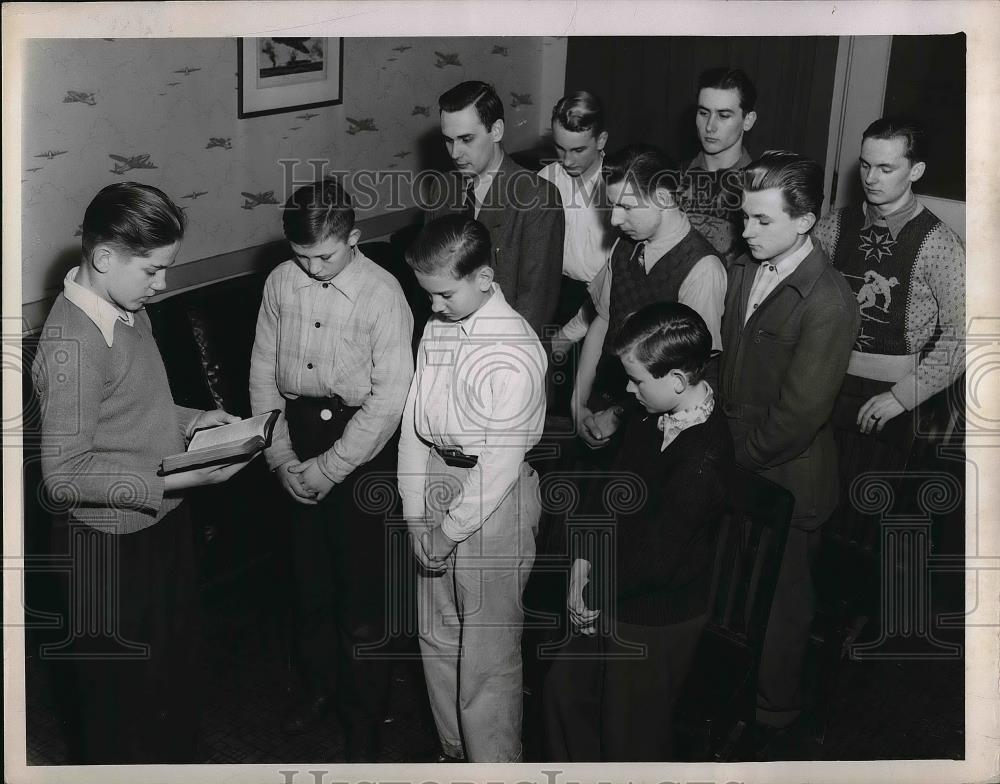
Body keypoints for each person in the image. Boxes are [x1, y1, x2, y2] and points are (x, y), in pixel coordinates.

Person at [31, 181, 253, 763]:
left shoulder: (123, 307)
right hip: (104, 551)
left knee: (170, 685)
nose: (163, 284)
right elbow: (63, 473)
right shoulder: (71, 346)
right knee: (119, 712)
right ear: (104, 258)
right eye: (153, 270)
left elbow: (136, 406)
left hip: (157, 530)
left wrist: (196, 418)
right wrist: (176, 478)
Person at [248, 178, 414, 760]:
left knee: (362, 601)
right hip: (296, 435)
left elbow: (389, 400)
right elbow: (263, 375)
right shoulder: (278, 282)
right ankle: (319, 690)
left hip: (363, 448)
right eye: (302, 256)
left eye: (327, 254)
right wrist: (282, 455)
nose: (314, 267)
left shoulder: (383, 293)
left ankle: (364, 718)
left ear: (354, 237)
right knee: (309, 586)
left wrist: (331, 468)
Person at [543, 302, 733, 762]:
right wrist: (582, 561)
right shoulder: (651, 413)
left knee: (628, 735)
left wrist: (593, 592)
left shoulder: (704, 459)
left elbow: (658, 558)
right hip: (610, 584)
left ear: (677, 382)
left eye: (637, 380)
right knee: (563, 696)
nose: (627, 390)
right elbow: (609, 494)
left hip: (656, 613)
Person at [718, 151, 859, 738]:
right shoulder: (747, 267)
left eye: (761, 220)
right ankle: (726, 700)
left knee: (780, 612)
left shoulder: (829, 301)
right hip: (733, 462)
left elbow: (800, 414)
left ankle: (776, 724)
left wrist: (734, 462)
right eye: (744, 217)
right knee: (730, 596)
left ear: (804, 223)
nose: (745, 231)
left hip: (786, 478)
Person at [397, 214, 547, 762]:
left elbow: (500, 465)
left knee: (487, 655)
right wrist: (416, 514)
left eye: (443, 293)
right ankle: (453, 754)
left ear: (484, 277)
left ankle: (494, 768)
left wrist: (449, 531)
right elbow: (415, 424)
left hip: (493, 498)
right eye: (427, 294)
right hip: (437, 477)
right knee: (437, 637)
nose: (433, 306)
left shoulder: (514, 348)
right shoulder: (438, 327)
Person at [812, 117, 965, 554]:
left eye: (886, 168)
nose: (871, 178)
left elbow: (964, 333)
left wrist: (904, 395)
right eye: (865, 166)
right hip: (823, 380)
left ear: (915, 171)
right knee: (814, 501)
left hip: (889, 395)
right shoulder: (832, 226)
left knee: (862, 515)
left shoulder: (938, 243)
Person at [569, 144, 727, 450]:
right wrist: (578, 403)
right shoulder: (624, 245)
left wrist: (616, 417)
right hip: (602, 401)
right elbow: (602, 320)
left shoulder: (702, 269)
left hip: (648, 424)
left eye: (626, 207)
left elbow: (687, 376)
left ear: (664, 198)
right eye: (613, 205)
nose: (614, 219)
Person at [422, 79, 565, 337]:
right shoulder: (441, 189)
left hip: (508, 353)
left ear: (496, 131)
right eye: (448, 140)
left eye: (466, 139)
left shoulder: (538, 198)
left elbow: (534, 308)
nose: (455, 153)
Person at [538, 90, 615, 325]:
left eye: (578, 150)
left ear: (601, 140)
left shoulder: (619, 186)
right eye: (560, 148)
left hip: (601, 299)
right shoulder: (545, 179)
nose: (567, 161)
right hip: (551, 293)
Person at [678, 67, 758, 265]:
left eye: (723, 115)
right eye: (703, 112)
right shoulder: (673, 176)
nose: (709, 126)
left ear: (747, 121)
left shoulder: (759, 185)